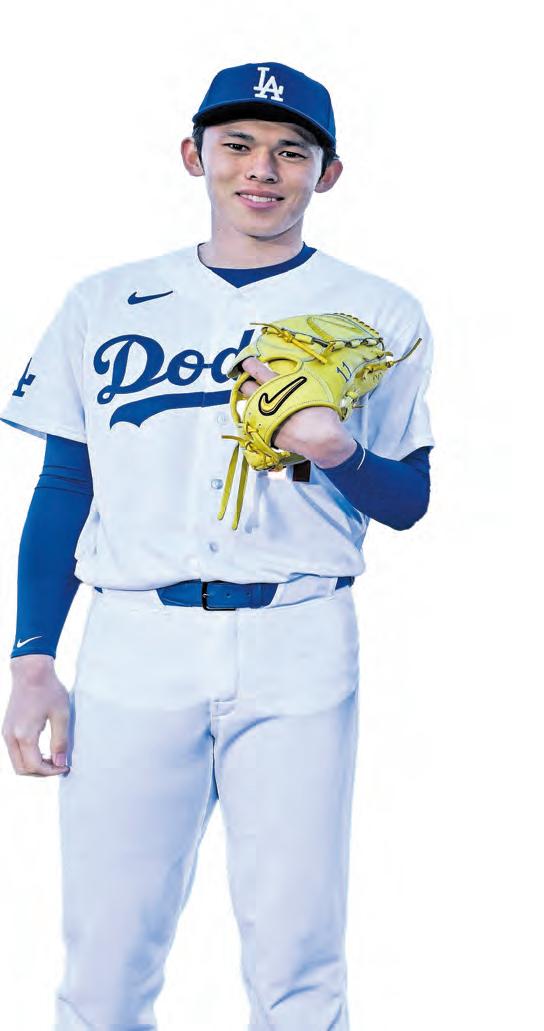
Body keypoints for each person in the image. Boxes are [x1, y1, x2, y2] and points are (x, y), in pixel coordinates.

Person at [0, 61, 435, 1029]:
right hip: (133, 639)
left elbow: (408, 500)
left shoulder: (381, 310)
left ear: (328, 173)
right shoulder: (104, 299)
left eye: (291, 151)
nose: (262, 169)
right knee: (106, 957)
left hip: (299, 634)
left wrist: (339, 450)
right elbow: (66, 483)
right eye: (237, 145)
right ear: (194, 156)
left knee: (297, 958)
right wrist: (32, 656)